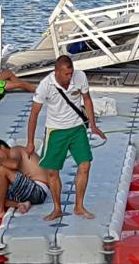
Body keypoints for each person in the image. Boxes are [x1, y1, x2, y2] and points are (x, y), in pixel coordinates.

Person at [26, 55, 106, 221]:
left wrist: (92, 124)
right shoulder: (45, 86)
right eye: (66, 74)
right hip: (56, 130)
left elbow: (87, 99)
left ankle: (79, 206)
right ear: (56, 71)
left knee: (85, 165)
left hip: (77, 128)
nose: (69, 77)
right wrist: (30, 142)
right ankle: (57, 208)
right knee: (52, 171)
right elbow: (34, 114)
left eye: (71, 73)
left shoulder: (80, 76)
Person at [0, 139, 50, 220]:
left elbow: (14, 165)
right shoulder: (9, 159)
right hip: (29, 192)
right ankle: (20, 204)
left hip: (38, 190)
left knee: (2, 169)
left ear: (2, 147)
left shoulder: (15, 150)